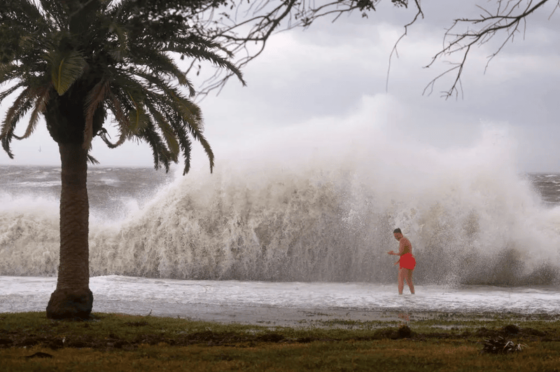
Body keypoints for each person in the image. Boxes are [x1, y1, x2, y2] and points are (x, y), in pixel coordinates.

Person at [387, 228, 416, 295]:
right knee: (409, 280)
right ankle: (413, 294)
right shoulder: (405, 240)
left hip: (407, 259)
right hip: (410, 259)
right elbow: (406, 252)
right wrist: (399, 260)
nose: (396, 238)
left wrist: (393, 253)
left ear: (401, 234)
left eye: (397, 236)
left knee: (400, 278)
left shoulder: (402, 240)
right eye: (395, 236)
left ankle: (400, 295)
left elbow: (401, 252)